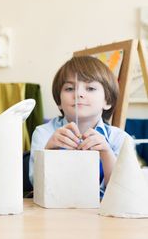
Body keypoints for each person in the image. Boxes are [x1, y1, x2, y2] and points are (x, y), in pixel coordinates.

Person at [29, 55, 134, 188]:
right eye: (69, 88)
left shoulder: (121, 139)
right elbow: (36, 185)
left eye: (90, 88)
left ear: (107, 101)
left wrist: (107, 153)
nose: (78, 94)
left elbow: (124, 190)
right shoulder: (43, 133)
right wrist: (48, 152)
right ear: (59, 102)